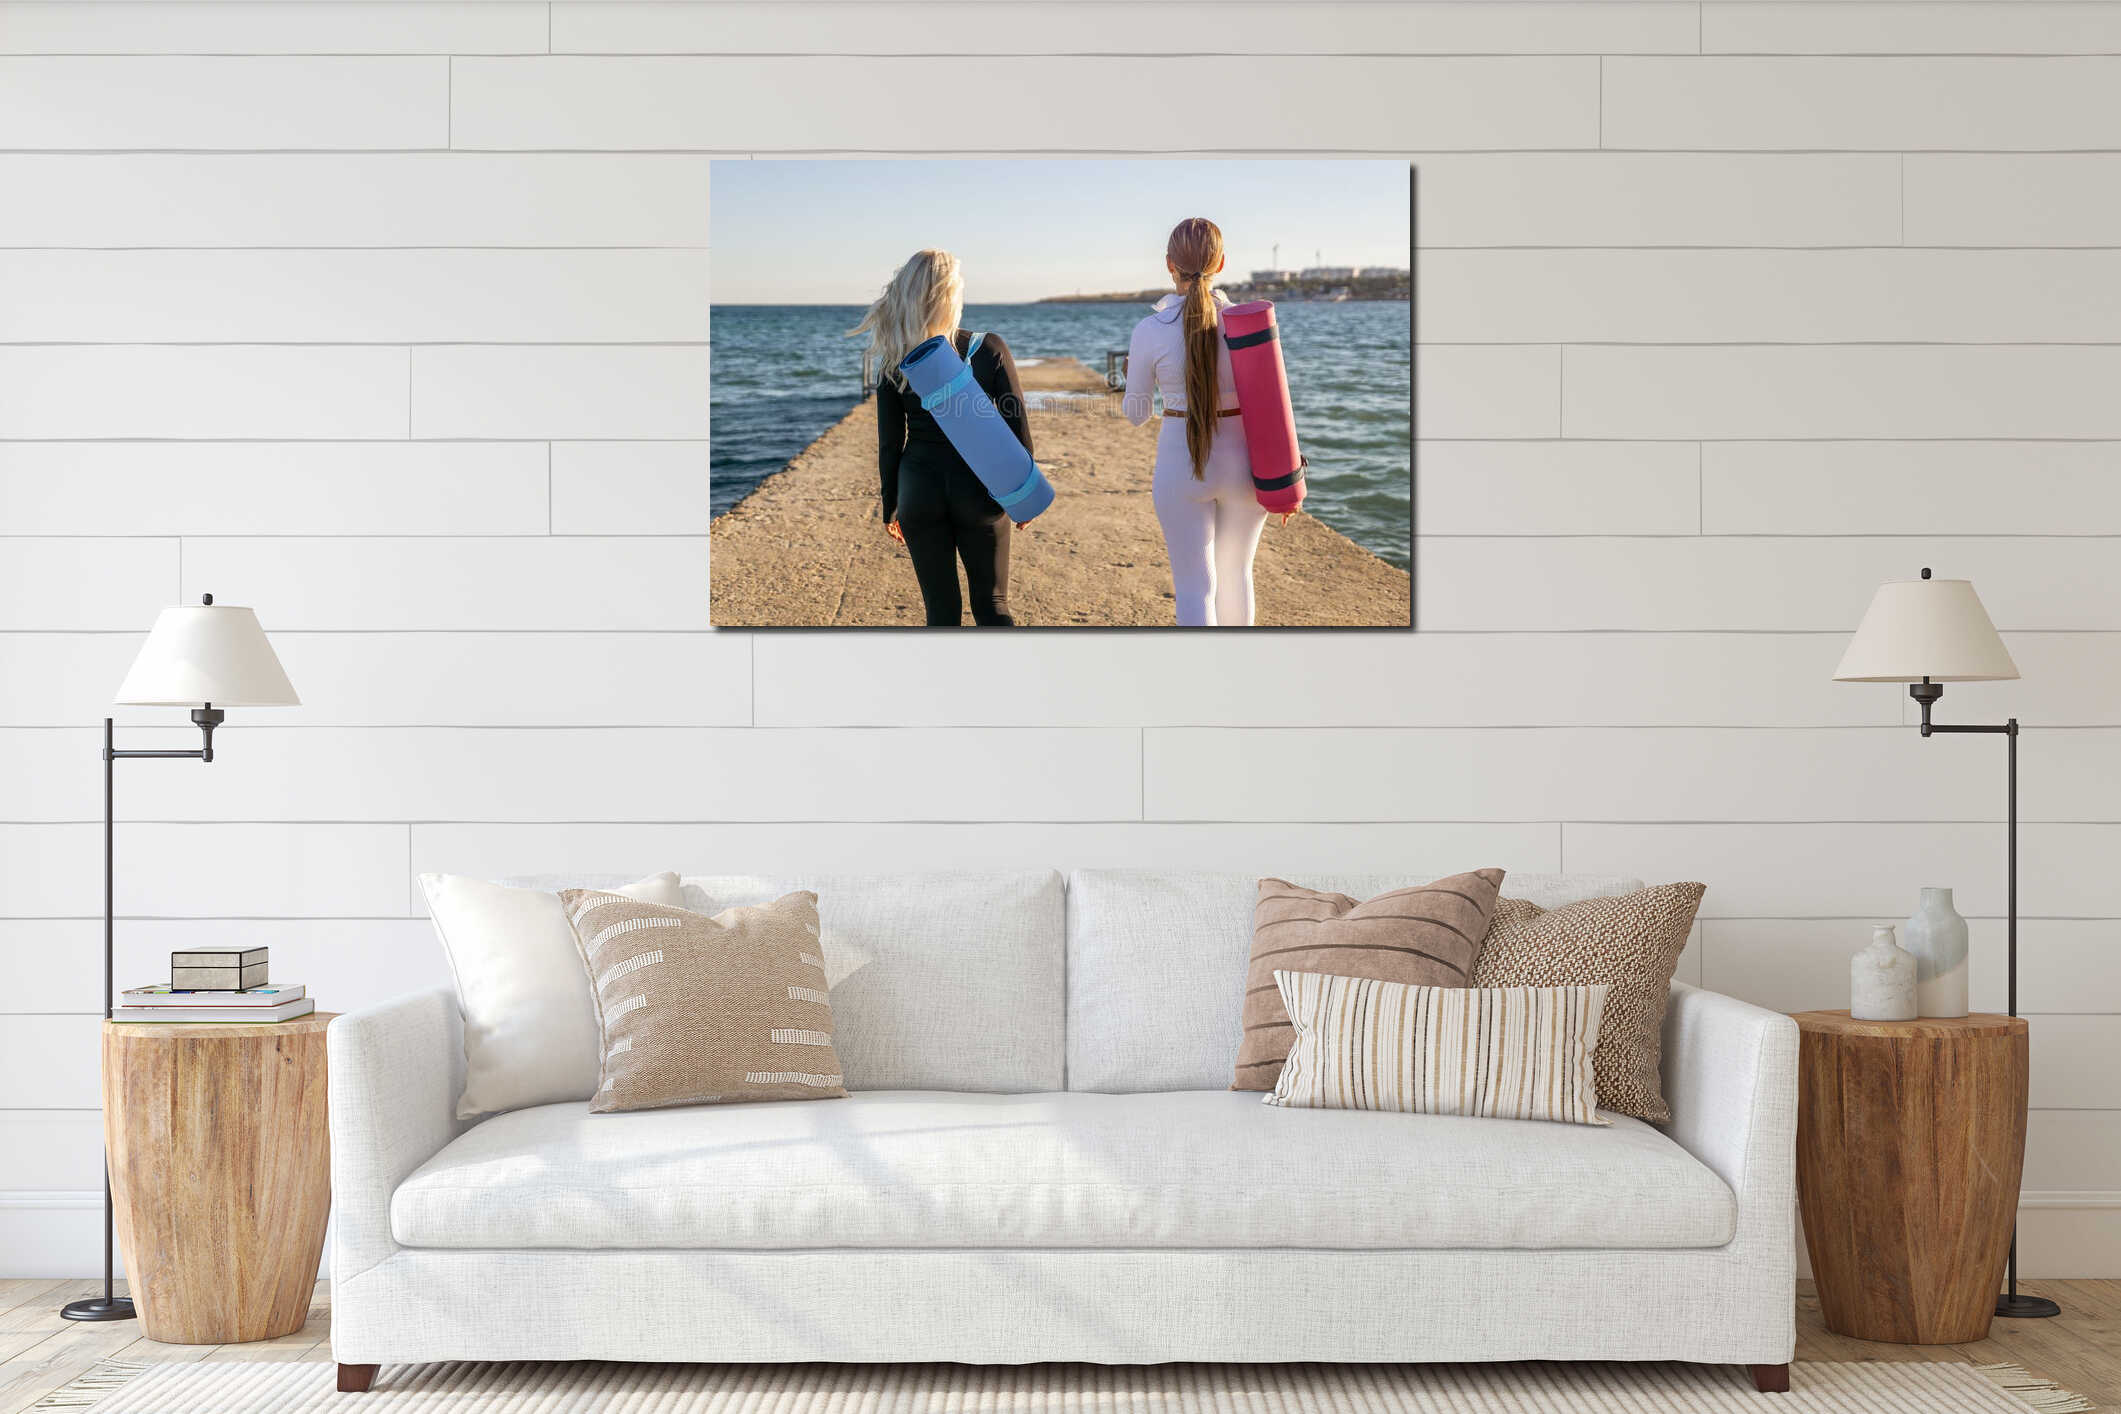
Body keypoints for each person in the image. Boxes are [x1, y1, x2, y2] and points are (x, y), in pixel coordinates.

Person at [851, 248, 1031, 627]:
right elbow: (1016, 425)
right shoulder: (990, 348)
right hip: (980, 488)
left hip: (919, 490)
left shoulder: (894, 360)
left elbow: (889, 444)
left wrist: (891, 506)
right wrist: (1022, 492)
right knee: (993, 605)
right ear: (952, 295)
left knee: (941, 613)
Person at [1122, 217, 1268, 627]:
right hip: (1245, 465)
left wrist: (1134, 374)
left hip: (1179, 466)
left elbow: (1136, 416)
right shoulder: (1249, 323)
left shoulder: (1149, 330)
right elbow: (1273, 403)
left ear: (1169, 264)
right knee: (1238, 576)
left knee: (1194, 587)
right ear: (1221, 262)